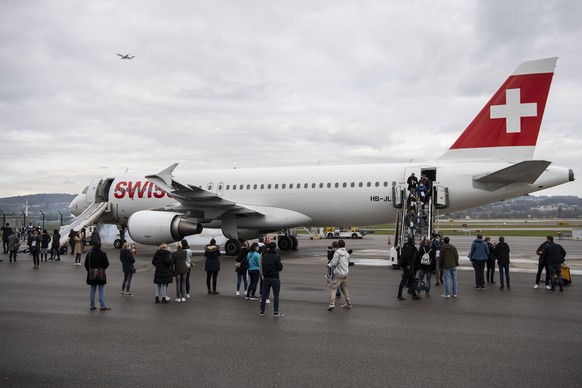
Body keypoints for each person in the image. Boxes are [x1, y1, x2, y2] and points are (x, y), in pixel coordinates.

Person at [259, 242, 284, 317]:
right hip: (274, 277)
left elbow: (262, 266)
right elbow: (280, 268)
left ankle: (262, 311)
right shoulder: (276, 256)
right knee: (276, 295)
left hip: (266, 277)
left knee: (264, 295)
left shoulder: (264, 256)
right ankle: (276, 312)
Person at [84, 243, 111, 311]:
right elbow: (107, 264)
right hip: (101, 274)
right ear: (100, 246)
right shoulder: (103, 254)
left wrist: (89, 270)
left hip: (92, 274)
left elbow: (86, 264)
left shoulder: (89, 254)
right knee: (101, 290)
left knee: (92, 290)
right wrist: (102, 269)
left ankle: (92, 305)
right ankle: (102, 305)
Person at [327, 239, 352, 310]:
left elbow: (334, 263)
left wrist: (329, 265)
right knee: (343, 288)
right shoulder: (347, 253)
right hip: (345, 273)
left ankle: (332, 303)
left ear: (338, 245)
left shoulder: (337, 253)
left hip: (339, 274)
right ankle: (348, 303)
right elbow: (347, 262)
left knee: (333, 287)